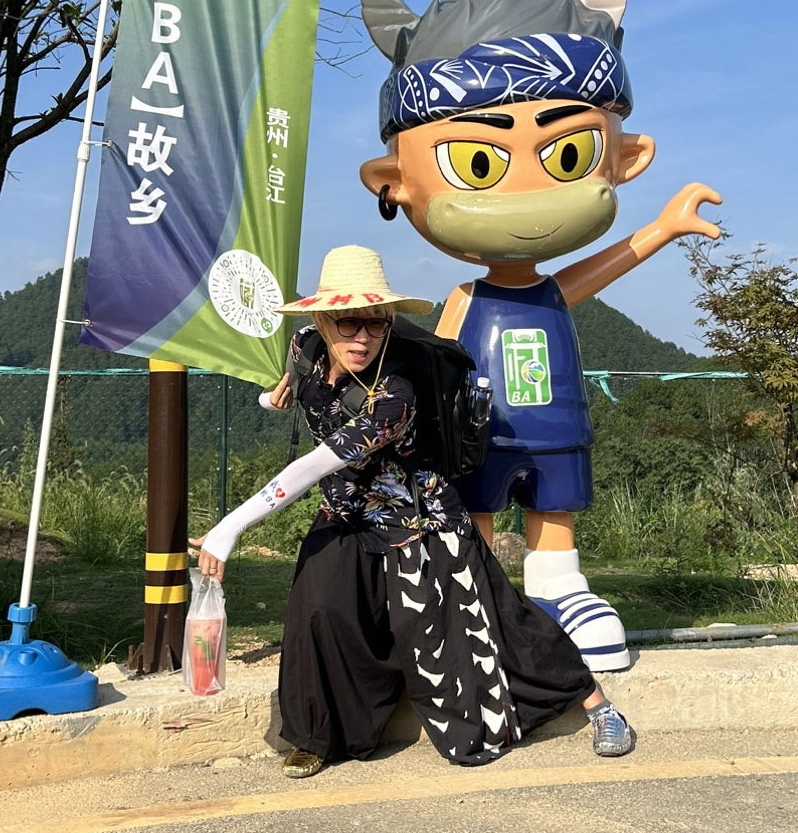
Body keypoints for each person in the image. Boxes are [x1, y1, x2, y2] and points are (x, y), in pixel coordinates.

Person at [357, 0, 722, 671]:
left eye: (567, 153)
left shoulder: (550, 293)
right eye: (479, 164)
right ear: (392, 183)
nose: (527, 198)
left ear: (627, 158)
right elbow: (427, 354)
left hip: (556, 428)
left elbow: (592, 275)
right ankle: (478, 593)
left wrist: (661, 228)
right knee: (479, 510)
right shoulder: (464, 298)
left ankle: (560, 589)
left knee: (555, 510)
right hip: (480, 431)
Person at [191, 245, 633, 778]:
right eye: (348, 323)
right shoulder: (305, 345)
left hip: (421, 522)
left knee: (496, 624)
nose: (362, 338)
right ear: (322, 320)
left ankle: (598, 705)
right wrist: (275, 395)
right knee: (319, 612)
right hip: (347, 512)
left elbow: (314, 464)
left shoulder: (395, 396)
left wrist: (230, 526)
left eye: (376, 324)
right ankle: (317, 737)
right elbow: (294, 388)